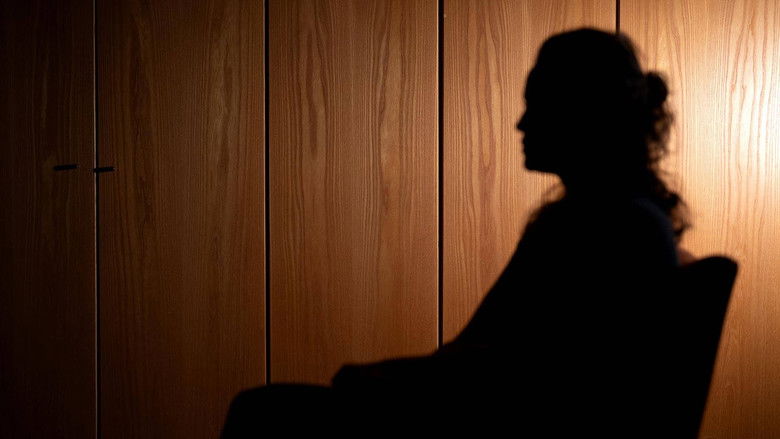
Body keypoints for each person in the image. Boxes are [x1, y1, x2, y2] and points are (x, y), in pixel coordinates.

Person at [222, 27, 699, 436]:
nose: (521, 123)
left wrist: (378, 380)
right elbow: (486, 356)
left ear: (582, 113)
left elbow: (508, 371)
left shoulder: (602, 227)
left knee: (262, 412)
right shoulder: (613, 220)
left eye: (538, 105)